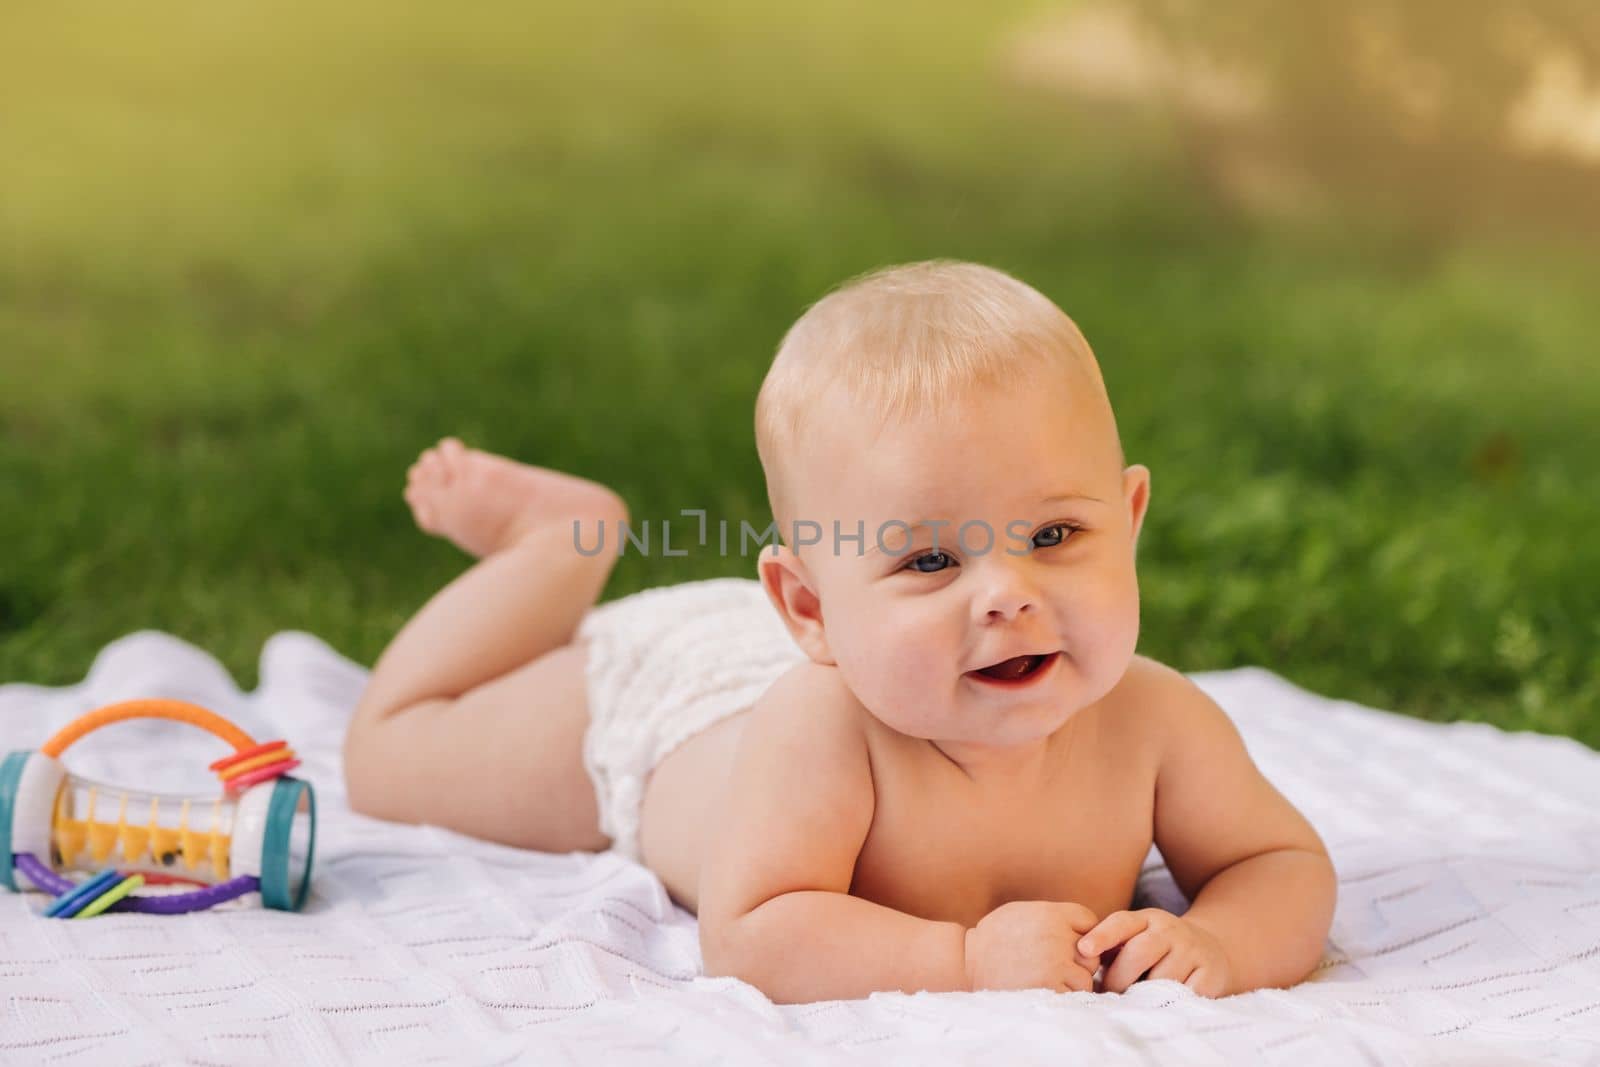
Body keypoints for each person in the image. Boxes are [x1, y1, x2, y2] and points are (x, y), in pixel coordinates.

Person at [341, 260, 1336, 1004]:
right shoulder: (820, 729)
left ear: (1128, 519)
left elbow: (1278, 865)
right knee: (385, 754)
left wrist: (1222, 941)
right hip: (667, 709)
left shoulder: (1155, 718)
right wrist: (962, 957)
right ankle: (553, 546)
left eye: (1054, 533)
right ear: (809, 608)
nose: (1007, 593)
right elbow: (755, 928)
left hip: (809, 652)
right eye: (930, 560)